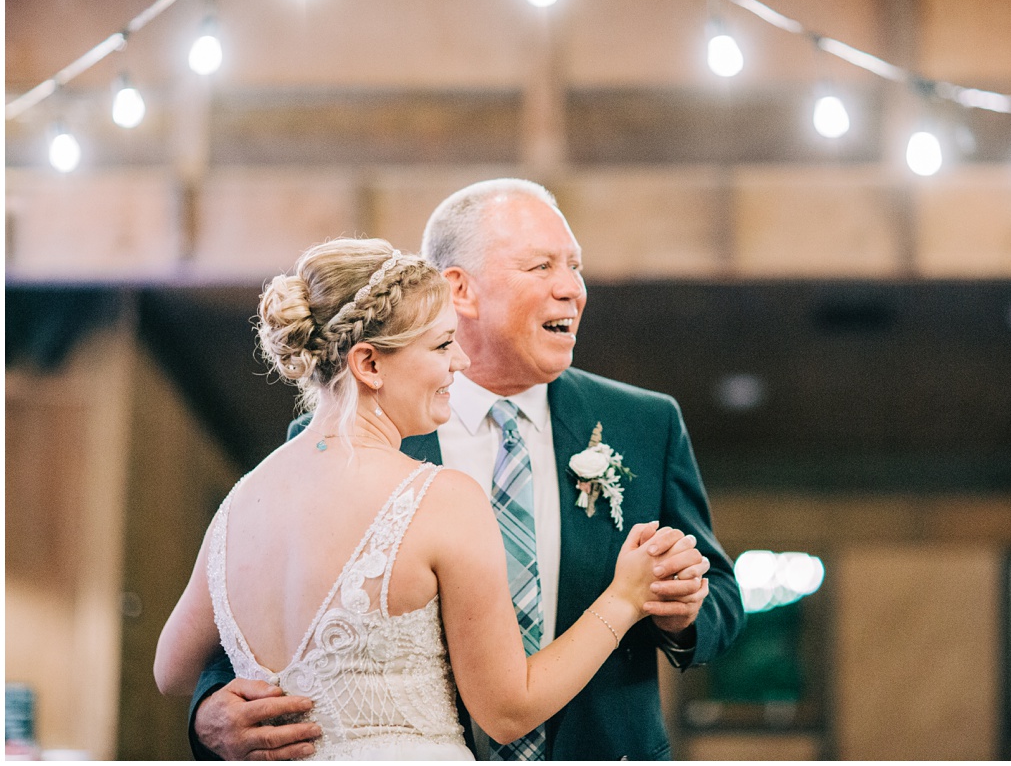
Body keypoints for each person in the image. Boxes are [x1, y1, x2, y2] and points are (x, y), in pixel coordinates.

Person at [188, 179, 745, 760]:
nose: (572, 290)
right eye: (542, 267)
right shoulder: (333, 440)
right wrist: (209, 713)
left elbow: (724, 597)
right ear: (461, 289)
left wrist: (684, 609)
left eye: (575, 267)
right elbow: (254, 617)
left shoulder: (642, 423)